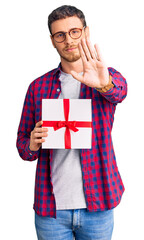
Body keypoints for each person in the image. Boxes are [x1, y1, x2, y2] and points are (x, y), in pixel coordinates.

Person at [16, 5, 127, 240]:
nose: (69, 40)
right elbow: (23, 146)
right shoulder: (38, 87)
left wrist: (102, 83)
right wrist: (32, 144)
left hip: (99, 204)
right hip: (51, 210)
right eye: (60, 35)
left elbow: (120, 93)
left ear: (86, 32)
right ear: (52, 40)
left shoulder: (105, 77)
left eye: (75, 31)